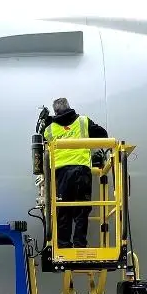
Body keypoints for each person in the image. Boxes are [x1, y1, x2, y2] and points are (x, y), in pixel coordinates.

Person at [42, 97, 108, 248]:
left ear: (55, 112)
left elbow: (41, 151)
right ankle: (79, 244)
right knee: (82, 209)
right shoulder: (83, 121)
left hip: (60, 174)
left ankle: (64, 245)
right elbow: (103, 135)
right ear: (69, 107)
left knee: (63, 209)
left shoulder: (49, 129)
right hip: (81, 171)